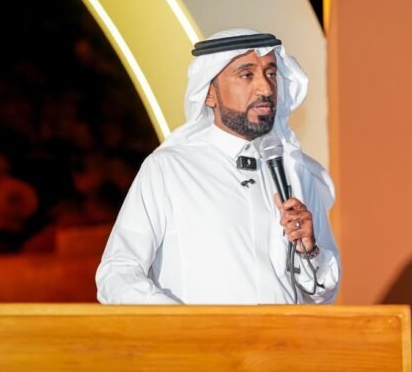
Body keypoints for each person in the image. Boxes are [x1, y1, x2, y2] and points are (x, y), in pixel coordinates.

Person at [95, 28, 340, 304]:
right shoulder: (169, 169)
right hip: (199, 333)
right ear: (209, 93)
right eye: (246, 75)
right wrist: (184, 323)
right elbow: (117, 273)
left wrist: (310, 252)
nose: (265, 89)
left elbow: (323, 293)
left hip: (282, 333)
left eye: (271, 74)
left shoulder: (296, 172)